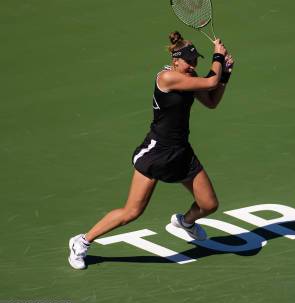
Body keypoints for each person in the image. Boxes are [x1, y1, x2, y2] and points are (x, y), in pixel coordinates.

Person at [68, 31, 234, 270]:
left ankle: (185, 222)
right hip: (157, 153)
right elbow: (210, 82)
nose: (193, 65)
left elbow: (211, 101)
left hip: (181, 152)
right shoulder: (167, 78)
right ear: (176, 61)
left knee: (209, 205)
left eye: (196, 61)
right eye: (189, 61)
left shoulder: (189, 77)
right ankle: (82, 241)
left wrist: (225, 74)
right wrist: (218, 57)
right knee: (132, 212)